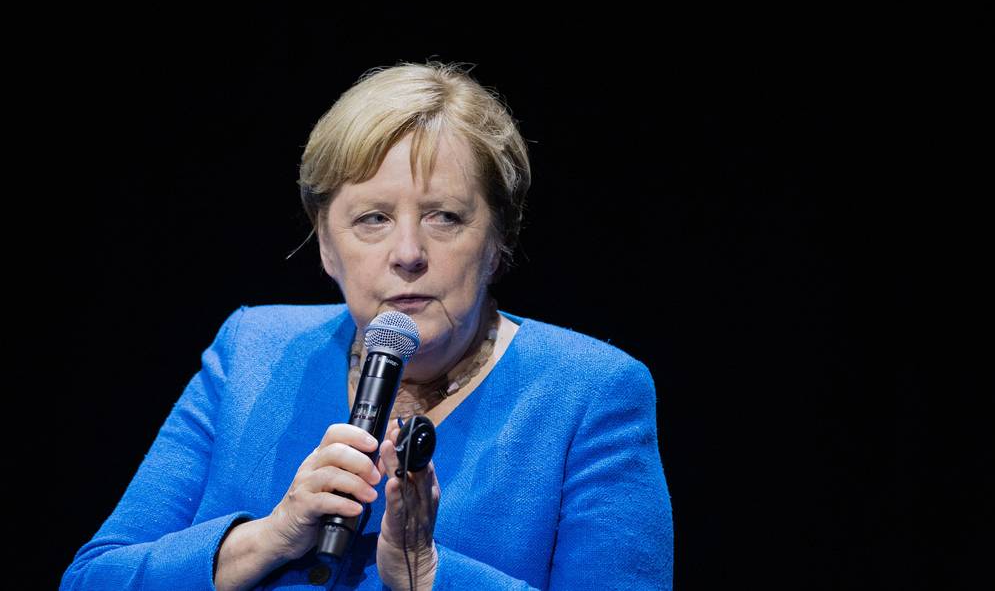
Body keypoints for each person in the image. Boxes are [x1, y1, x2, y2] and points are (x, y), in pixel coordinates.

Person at [60, 60, 673, 590]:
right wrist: (271, 537)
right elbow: (94, 579)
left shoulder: (591, 393)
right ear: (326, 246)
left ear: (497, 243)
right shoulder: (251, 350)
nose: (407, 251)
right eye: (373, 218)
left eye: (445, 217)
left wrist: (429, 575)